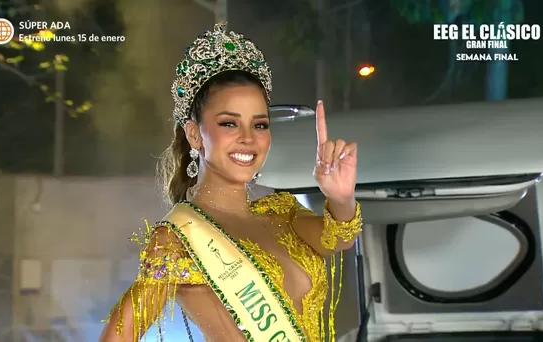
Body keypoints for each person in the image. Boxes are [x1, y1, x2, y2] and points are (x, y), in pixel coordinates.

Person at [100, 22, 362, 342]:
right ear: (195, 134)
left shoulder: (281, 212)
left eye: (260, 125)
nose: (248, 139)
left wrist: (340, 197)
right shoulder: (180, 239)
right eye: (229, 123)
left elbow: (338, 238)